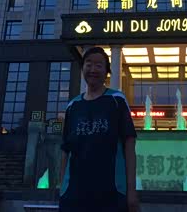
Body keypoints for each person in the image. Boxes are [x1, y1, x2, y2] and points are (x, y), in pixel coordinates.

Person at [59, 47, 139, 212]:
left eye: (99, 65)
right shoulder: (73, 106)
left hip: (110, 194)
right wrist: (62, 189)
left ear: (107, 71)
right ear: (82, 68)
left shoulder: (116, 100)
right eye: (88, 64)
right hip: (74, 195)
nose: (93, 69)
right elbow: (66, 151)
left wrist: (131, 191)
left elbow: (129, 145)